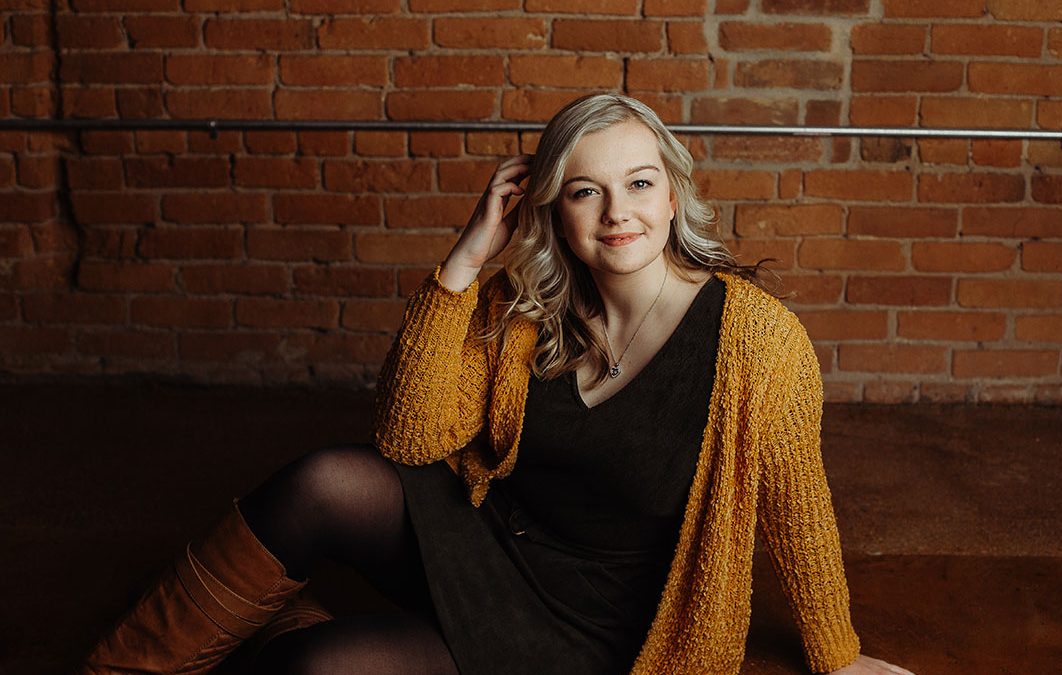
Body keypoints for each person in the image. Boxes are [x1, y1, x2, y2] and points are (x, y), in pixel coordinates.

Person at [80, 92, 913, 675]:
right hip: (492, 542)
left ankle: (277, 631)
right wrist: (466, 259)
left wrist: (835, 652)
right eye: (586, 190)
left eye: (639, 184)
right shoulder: (526, 305)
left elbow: (798, 501)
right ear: (554, 208)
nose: (616, 211)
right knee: (323, 480)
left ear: (672, 199)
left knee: (317, 664)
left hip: (592, 629)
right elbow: (408, 438)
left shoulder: (759, 341)